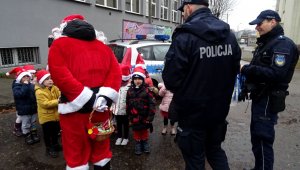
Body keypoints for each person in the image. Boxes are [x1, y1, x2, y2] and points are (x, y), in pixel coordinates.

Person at [162, 0, 241, 169]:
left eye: (182, 11)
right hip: (219, 111)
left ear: (189, 7)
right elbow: (235, 69)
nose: (183, 14)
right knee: (215, 151)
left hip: (192, 115)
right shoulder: (229, 35)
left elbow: (171, 79)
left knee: (194, 159)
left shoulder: (185, 36)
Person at [48, 14, 121, 170]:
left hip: (73, 110)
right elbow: (115, 73)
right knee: (101, 148)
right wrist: (103, 97)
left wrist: (86, 98)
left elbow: (59, 74)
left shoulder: (59, 45)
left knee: (76, 152)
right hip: (100, 108)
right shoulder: (103, 47)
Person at [240, 10, 299, 170]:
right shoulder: (268, 42)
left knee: (262, 137)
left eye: (260, 23)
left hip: (268, 97)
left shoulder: (282, 44)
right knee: (257, 137)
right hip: (260, 96)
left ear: (273, 21)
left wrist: (246, 69)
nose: (257, 27)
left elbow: (277, 74)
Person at [126, 67, 156, 155]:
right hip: (134, 117)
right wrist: (129, 116)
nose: (137, 81)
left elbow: (152, 104)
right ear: (132, 80)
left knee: (144, 131)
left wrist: (149, 118)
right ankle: (138, 144)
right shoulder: (130, 91)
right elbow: (127, 103)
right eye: (135, 79)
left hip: (145, 117)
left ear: (143, 79)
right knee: (136, 131)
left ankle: (145, 143)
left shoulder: (147, 91)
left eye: (139, 79)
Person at [35, 69, 61, 158]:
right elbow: (45, 104)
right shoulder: (39, 92)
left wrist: (62, 96)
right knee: (47, 134)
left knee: (55, 132)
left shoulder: (54, 88)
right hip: (46, 117)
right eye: (47, 79)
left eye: (50, 78)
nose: (50, 80)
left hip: (55, 115)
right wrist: (58, 101)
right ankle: (49, 148)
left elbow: (60, 93)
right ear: (42, 81)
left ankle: (55, 144)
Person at [10, 67, 40, 145]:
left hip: (32, 108)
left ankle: (34, 133)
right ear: (20, 78)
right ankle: (27, 135)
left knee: (33, 122)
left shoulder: (31, 85)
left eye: (27, 76)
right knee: (26, 124)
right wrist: (26, 86)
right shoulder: (17, 86)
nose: (26, 78)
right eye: (24, 76)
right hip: (24, 110)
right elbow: (20, 94)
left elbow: (35, 94)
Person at [113, 64, 131, 146]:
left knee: (126, 125)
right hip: (116, 110)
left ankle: (126, 138)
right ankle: (119, 137)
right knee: (118, 124)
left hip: (125, 111)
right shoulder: (116, 86)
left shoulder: (129, 88)